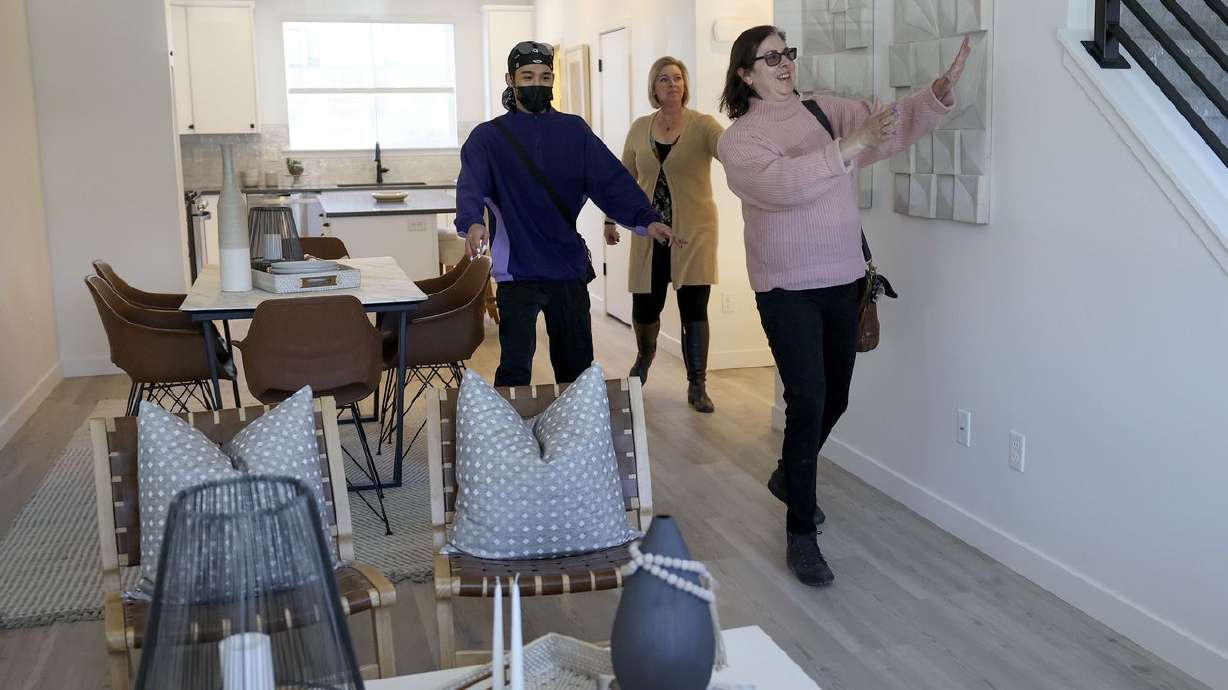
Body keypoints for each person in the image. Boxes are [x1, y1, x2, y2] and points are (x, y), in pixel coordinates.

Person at [717, 26, 970, 586]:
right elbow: (784, 187)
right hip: (785, 288)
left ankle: (789, 475)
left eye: (788, 54)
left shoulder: (825, 111)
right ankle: (800, 531)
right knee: (806, 400)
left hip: (844, 279)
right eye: (771, 57)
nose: (785, 64)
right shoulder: (738, 141)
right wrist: (849, 147)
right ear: (745, 73)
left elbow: (886, 129)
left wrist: (933, 96)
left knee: (837, 397)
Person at [456, 41, 681, 387]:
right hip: (518, 271)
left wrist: (646, 218)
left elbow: (611, 180)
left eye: (546, 76)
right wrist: (472, 222)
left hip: (567, 268)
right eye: (528, 75)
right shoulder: (489, 138)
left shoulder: (574, 131)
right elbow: (470, 184)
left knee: (576, 370)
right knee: (515, 370)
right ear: (510, 79)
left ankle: (574, 438)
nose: (538, 83)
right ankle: (513, 439)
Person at [609, 56, 725, 413]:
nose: (672, 84)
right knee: (645, 306)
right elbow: (621, 179)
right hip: (649, 235)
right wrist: (609, 221)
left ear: (685, 85)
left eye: (678, 78)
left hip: (695, 232)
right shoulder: (639, 127)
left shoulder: (704, 125)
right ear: (654, 88)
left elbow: (731, 152)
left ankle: (698, 384)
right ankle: (644, 359)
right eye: (664, 79)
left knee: (694, 307)